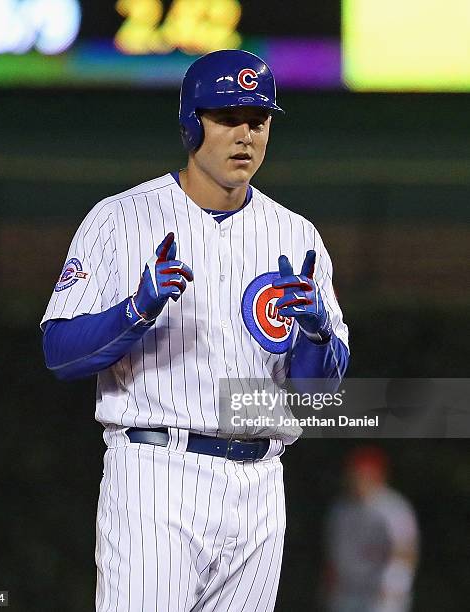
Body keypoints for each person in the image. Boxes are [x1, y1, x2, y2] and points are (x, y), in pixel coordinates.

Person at [41, 49, 349, 612]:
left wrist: (316, 335)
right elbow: (59, 353)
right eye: (227, 118)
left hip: (260, 484)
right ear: (191, 124)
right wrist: (135, 310)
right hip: (157, 473)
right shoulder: (121, 218)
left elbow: (315, 397)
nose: (245, 135)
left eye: (258, 121)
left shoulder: (297, 235)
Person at [324, 447, 419, 612]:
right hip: (347, 591)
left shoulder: (394, 508)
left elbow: (405, 550)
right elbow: (336, 552)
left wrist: (395, 584)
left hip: (380, 593)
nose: (358, 482)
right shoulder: (341, 509)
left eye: (363, 476)